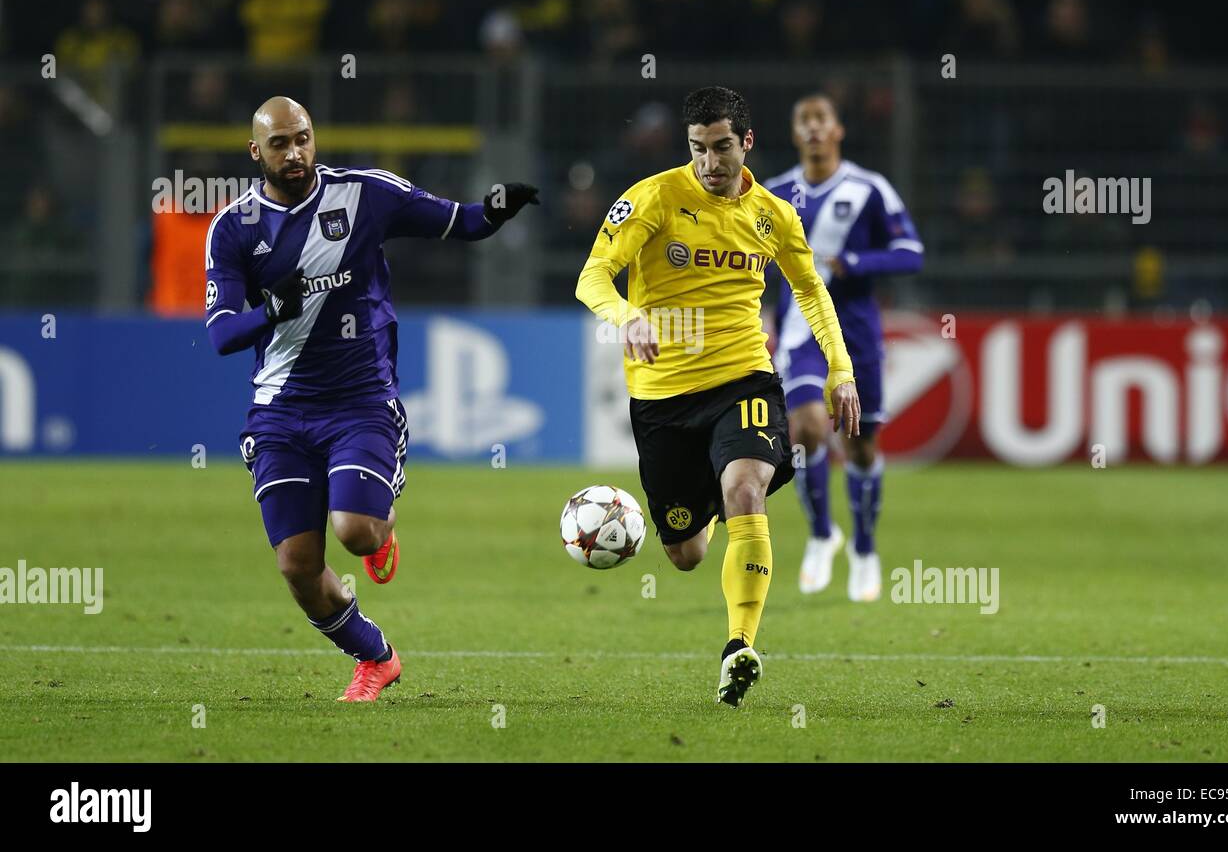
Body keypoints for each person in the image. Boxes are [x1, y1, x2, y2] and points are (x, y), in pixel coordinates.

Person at [204, 96, 537, 701]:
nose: (296, 152)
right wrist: (272, 308)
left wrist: (495, 208)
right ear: (256, 152)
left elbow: (456, 220)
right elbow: (223, 333)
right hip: (280, 411)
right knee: (298, 568)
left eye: (303, 137)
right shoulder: (232, 229)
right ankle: (375, 657)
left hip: (361, 399)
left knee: (356, 531)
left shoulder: (365, 194)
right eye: (279, 143)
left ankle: (382, 526)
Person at [575, 86, 859, 707]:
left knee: (744, 488)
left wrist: (841, 368)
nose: (710, 163)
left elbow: (810, 291)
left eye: (722, 147)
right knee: (685, 551)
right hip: (662, 400)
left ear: (747, 142)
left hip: (743, 379)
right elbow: (592, 275)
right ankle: (707, 499)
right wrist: (625, 316)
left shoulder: (774, 215)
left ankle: (740, 646)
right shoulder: (652, 198)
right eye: (698, 149)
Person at [765, 94, 923, 601]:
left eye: (821, 120)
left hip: (856, 332)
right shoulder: (774, 193)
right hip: (800, 331)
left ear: (838, 130)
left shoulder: (868, 188)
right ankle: (820, 536)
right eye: (803, 121)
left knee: (860, 447)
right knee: (806, 428)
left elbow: (909, 253)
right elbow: (756, 266)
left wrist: (852, 263)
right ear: (794, 134)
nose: (812, 129)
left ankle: (865, 548)